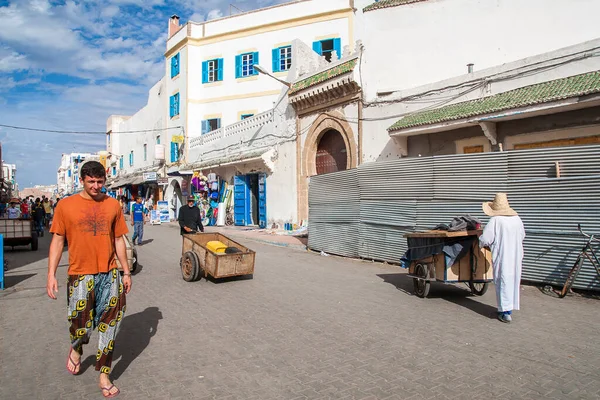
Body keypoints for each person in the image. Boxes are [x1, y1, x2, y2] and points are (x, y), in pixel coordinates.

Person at [46, 161, 131, 398]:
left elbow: (119, 240)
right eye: (91, 181)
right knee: (80, 326)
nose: (96, 186)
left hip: (110, 274)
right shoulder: (66, 205)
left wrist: (125, 271)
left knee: (110, 325)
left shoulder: (113, 204)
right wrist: (51, 273)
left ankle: (104, 374)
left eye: (100, 181)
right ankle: (77, 349)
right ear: (82, 180)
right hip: (80, 275)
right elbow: (57, 241)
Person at [479, 193, 525, 324]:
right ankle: (509, 308)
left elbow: (487, 239)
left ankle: (504, 312)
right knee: (513, 279)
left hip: (503, 254)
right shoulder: (517, 219)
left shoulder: (496, 220)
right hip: (516, 254)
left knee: (502, 279)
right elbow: (522, 235)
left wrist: (479, 242)